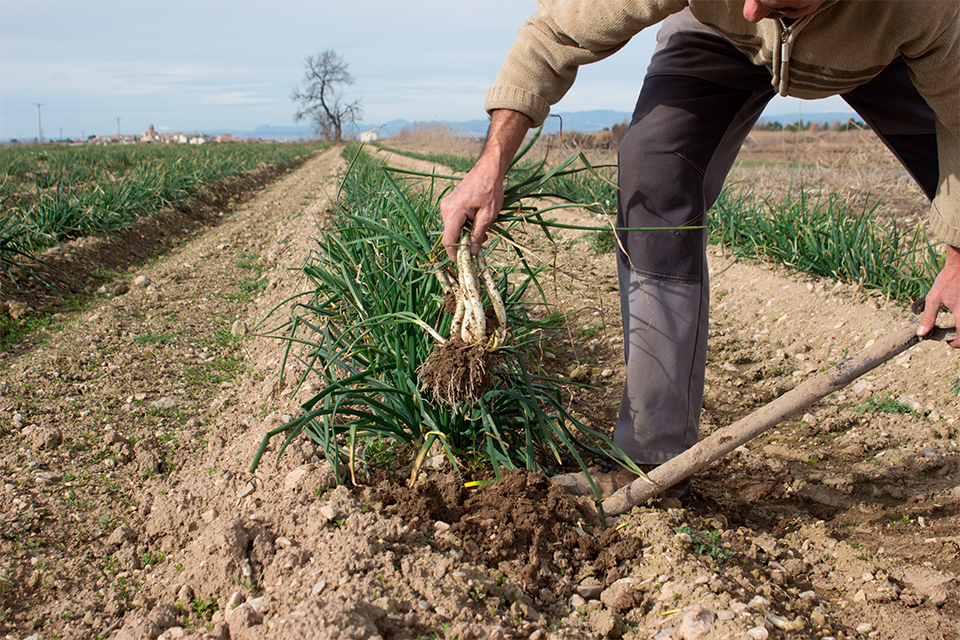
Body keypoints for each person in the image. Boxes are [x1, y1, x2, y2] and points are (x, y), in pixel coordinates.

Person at [439, 0, 960, 507]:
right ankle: (651, 458)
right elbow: (554, 31)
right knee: (653, 169)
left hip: (884, 55)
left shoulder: (924, 10)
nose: (754, 9)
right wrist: (492, 163)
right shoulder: (741, 11)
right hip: (718, 36)